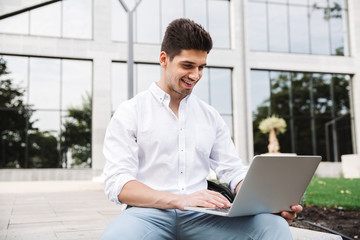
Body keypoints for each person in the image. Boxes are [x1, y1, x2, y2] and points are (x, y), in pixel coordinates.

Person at [100, 18, 302, 240]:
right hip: (146, 215)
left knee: (273, 225)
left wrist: (266, 200)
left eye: (201, 67)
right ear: (164, 59)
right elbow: (118, 184)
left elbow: (232, 171)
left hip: (203, 216)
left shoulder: (210, 116)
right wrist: (179, 200)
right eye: (188, 66)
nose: (196, 75)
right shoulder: (130, 112)